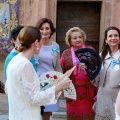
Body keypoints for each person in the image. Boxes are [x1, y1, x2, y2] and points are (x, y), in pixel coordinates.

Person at [5, 26, 71, 120]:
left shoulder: (14, 59)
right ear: (36, 43)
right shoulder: (26, 64)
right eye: (40, 42)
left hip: (16, 114)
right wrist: (57, 88)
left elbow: (8, 88)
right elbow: (34, 98)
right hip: (27, 116)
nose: (41, 45)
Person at [60, 27, 98, 120]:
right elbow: (62, 70)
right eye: (75, 38)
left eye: (80, 37)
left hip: (89, 91)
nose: (78, 40)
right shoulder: (66, 53)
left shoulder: (90, 50)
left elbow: (97, 67)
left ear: (83, 38)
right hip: (72, 91)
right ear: (70, 40)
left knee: (89, 114)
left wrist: (88, 65)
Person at [35, 18, 62, 120]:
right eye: (41, 29)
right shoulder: (34, 44)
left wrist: (61, 81)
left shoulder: (55, 46)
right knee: (36, 112)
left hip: (51, 82)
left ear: (51, 31)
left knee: (47, 113)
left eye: (47, 28)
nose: (44, 31)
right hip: (36, 82)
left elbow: (57, 66)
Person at [93, 26, 120, 120]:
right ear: (106, 40)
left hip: (117, 98)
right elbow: (96, 81)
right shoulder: (101, 56)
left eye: (116, 35)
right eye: (110, 36)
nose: (113, 38)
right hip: (103, 98)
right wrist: (89, 69)